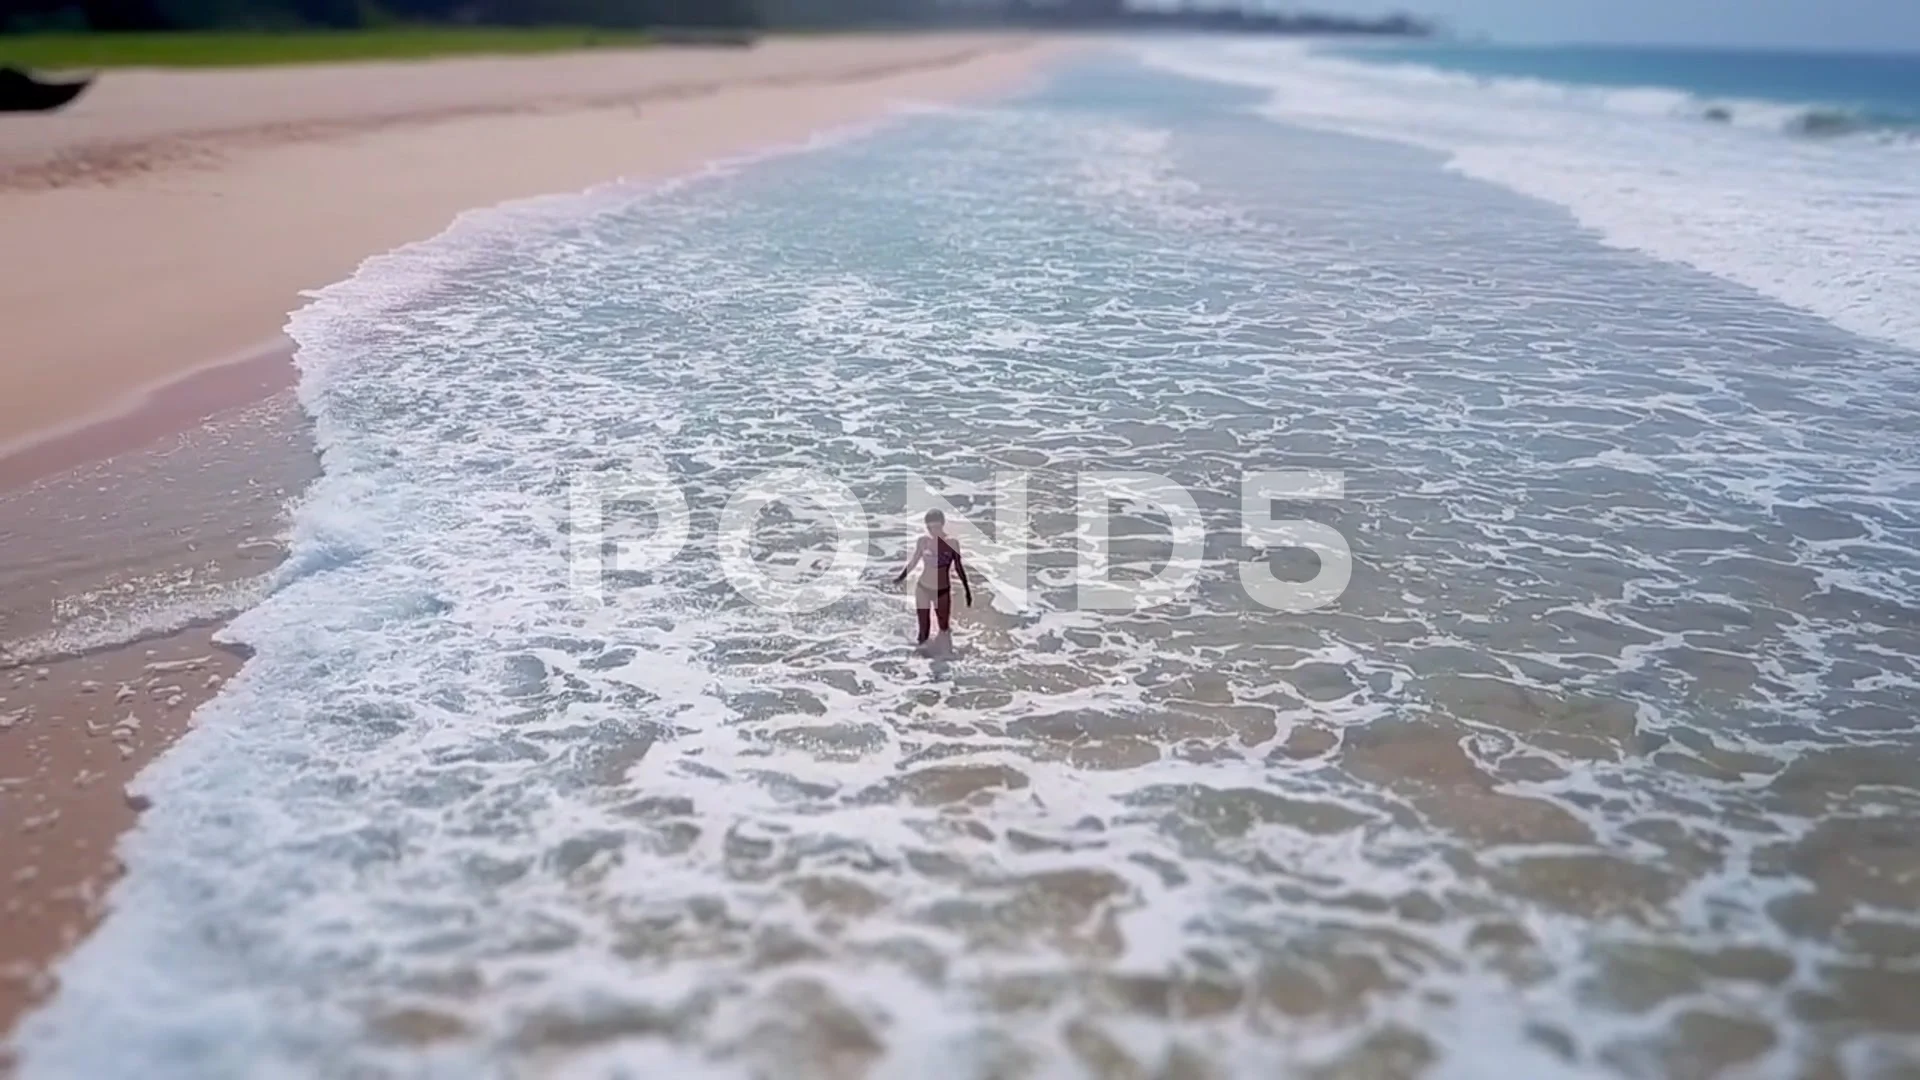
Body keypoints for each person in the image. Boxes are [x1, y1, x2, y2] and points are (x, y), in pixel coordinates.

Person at [892, 509, 972, 647]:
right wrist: (900, 577)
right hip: (923, 588)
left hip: (942, 591)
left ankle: (944, 659)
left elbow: (959, 567)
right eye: (929, 527)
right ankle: (920, 662)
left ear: (942, 524)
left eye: (936, 527)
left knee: (944, 629)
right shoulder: (923, 541)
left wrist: (967, 590)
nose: (933, 531)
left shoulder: (952, 543)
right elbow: (914, 562)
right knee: (923, 631)